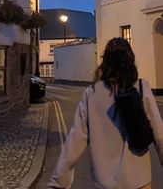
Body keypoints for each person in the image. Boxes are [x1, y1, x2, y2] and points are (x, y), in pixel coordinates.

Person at [48, 37, 163, 189]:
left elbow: (75, 140)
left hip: (104, 183)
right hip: (138, 181)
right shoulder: (141, 88)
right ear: (130, 60)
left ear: (105, 62)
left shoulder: (91, 93)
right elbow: (160, 135)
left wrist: (59, 181)